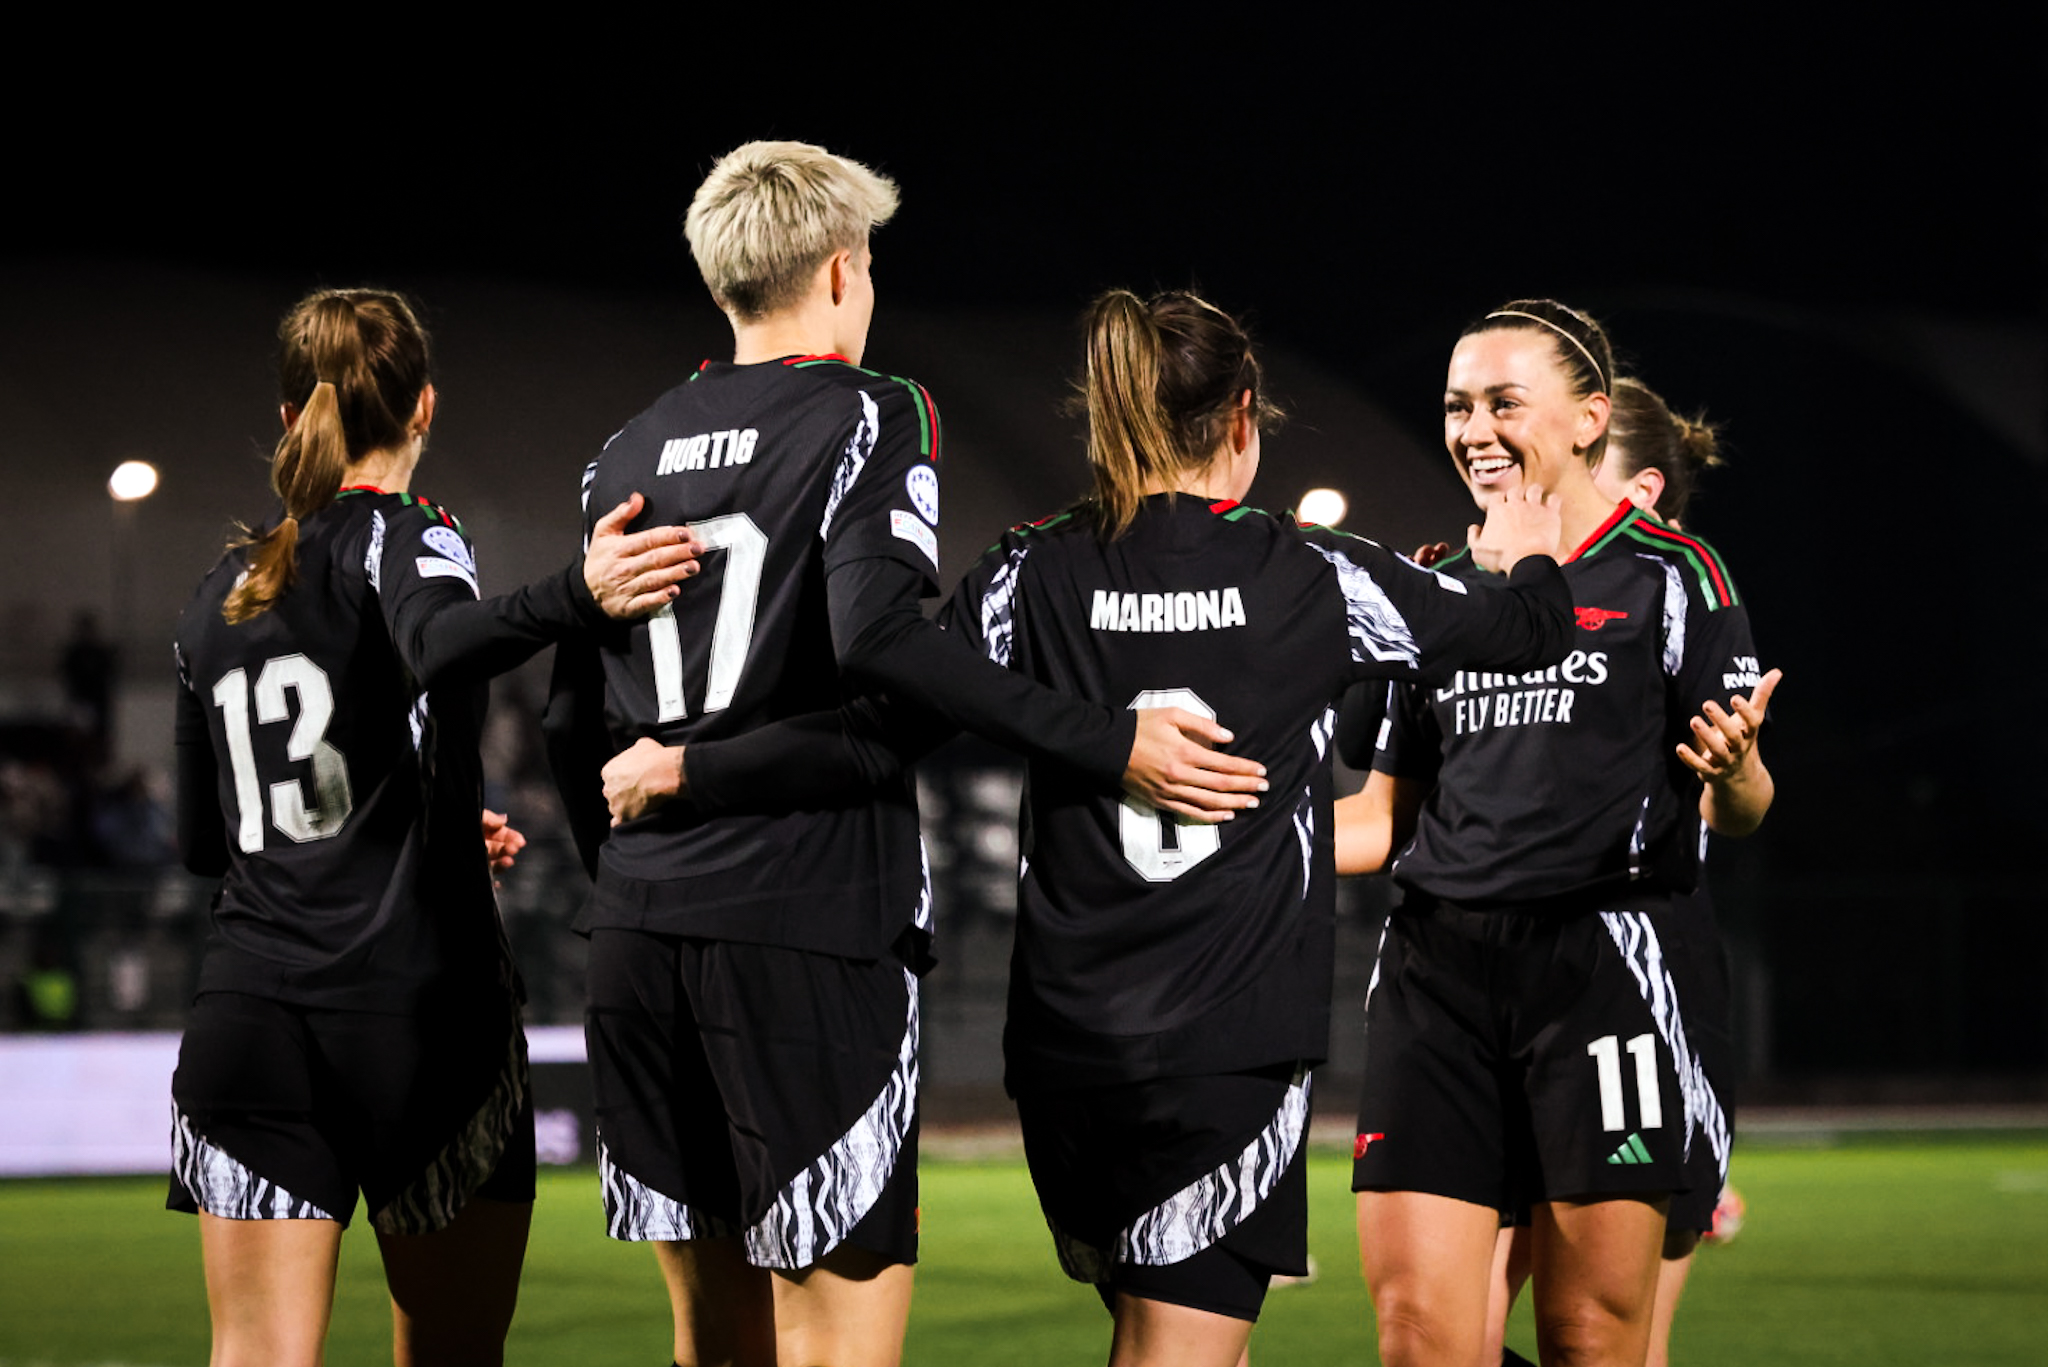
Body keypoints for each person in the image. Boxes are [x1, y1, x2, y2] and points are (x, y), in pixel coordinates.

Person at [602, 285, 1578, 1367]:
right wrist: (1525, 551)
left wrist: (690, 765)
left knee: (1157, 1328)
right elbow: (1528, 633)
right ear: (1242, 416)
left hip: (1068, 1055)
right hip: (1227, 1048)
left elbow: (871, 732)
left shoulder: (1032, 566)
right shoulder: (1309, 573)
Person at [543, 144, 1269, 1367]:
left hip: (639, 932)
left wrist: (620, 877)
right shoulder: (874, 409)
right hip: (809, 923)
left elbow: (571, 720)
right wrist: (1107, 740)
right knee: (834, 1334)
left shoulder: (623, 450)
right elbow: (877, 640)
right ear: (840, 270)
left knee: (710, 1341)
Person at [169, 286, 698, 1367]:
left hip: (251, 1019)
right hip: (418, 1020)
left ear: (285, 417)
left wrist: (427, 816)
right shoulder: (410, 534)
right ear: (424, 410)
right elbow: (441, 640)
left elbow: (203, 843)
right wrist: (577, 592)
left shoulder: (217, 590)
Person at [1338, 301, 1779, 1367]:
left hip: (1604, 969)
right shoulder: (1432, 577)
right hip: (1434, 972)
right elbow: (1374, 818)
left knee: (1587, 1334)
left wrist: (1738, 767)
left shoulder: (1671, 574)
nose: (1473, 428)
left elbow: (1737, 806)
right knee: (1415, 1337)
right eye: (1455, 405)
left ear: (1588, 419)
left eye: (1501, 402)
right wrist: (1226, 830)